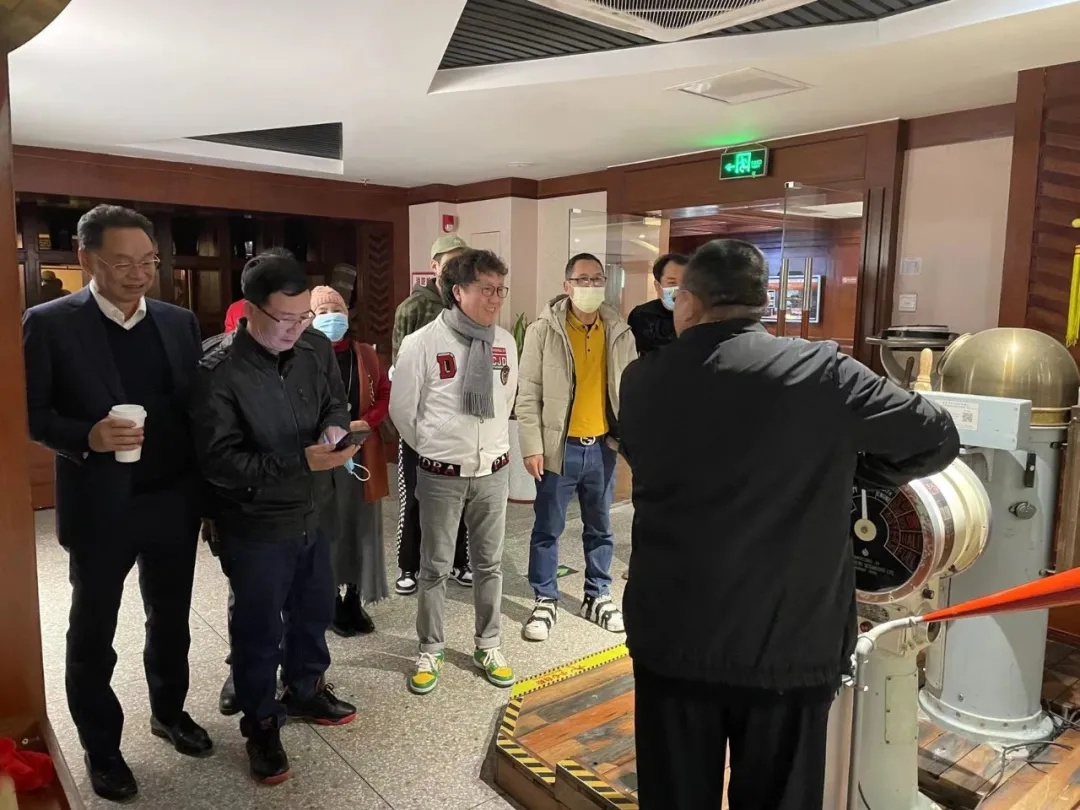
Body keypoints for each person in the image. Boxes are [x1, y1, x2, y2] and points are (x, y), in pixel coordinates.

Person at [618, 239, 960, 810]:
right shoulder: (823, 373)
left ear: (689, 303)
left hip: (673, 636)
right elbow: (938, 437)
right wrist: (846, 470)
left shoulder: (642, 380)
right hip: (788, 642)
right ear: (764, 303)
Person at [22, 204, 211, 803]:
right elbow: (30, 413)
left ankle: (169, 712)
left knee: (171, 620)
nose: (139, 274)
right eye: (123, 263)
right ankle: (101, 747)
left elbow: (193, 409)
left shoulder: (178, 323)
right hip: (100, 506)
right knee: (92, 631)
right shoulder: (50, 323)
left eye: (148, 261)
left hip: (171, 499)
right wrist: (87, 436)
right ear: (86, 259)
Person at [190, 250, 359, 785]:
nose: (295, 328)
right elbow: (219, 462)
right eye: (283, 319)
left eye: (303, 316)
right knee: (259, 630)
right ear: (250, 310)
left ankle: (306, 688)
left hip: (316, 509)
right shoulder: (217, 369)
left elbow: (335, 401)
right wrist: (298, 461)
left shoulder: (314, 347)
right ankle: (261, 722)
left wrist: (334, 429)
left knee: (313, 611)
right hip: (256, 523)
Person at [389, 248, 517, 696]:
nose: (495, 299)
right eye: (486, 289)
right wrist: (435, 447)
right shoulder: (422, 342)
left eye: (500, 289)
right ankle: (431, 648)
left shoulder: (505, 342)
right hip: (441, 474)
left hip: (492, 472)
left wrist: (491, 448)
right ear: (458, 291)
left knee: (489, 565)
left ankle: (489, 643)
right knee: (435, 567)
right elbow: (402, 410)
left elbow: (506, 400)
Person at [515, 252, 637, 642]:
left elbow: (630, 390)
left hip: (602, 448)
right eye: (582, 279)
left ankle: (597, 594)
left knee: (600, 528)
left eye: (597, 279)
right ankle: (545, 598)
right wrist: (532, 446)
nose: (590, 286)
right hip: (559, 448)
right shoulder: (543, 331)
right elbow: (527, 394)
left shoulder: (619, 330)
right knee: (547, 528)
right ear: (567, 285)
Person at [391, 234, 474, 595]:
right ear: (435, 266)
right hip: (421, 421)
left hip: (460, 421)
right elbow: (400, 369)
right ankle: (409, 566)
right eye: (450, 262)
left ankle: (459, 561)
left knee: (460, 496)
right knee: (415, 496)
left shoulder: (468, 303)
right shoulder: (413, 308)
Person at [310, 285, 391, 635]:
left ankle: (354, 599)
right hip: (322, 458)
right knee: (327, 528)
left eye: (337, 311)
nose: (332, 318)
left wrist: (367, 422)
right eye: (323, 312)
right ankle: (327, 600)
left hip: (361, 454)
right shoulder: (303, 356)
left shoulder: (365, 354)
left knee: (361, 527)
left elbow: (384, 393)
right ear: (310, 318)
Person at [627, 252, 687, 355]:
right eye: (672, 283)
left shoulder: (701, 315)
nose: (680, 289)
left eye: (686, 283)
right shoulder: (641, 315)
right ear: (658, 286)